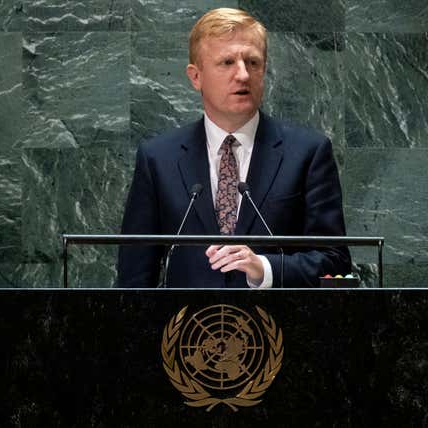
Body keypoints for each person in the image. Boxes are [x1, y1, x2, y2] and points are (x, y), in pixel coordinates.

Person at [117, 8, 350, 288]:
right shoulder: (158, 158)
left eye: (253, 62)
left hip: (278, 327)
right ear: (195, 77)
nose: (242, 74)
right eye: (227, 62)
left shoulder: (308, 153)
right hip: (185, 329)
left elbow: (334, 262)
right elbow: (134, 279)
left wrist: (264, 268)